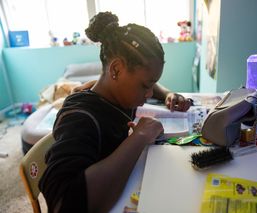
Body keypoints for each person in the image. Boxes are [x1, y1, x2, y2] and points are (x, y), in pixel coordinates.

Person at [39, 11, 192, 213]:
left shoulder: (116, 92)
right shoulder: (80, 118)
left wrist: (167, 94)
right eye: (145, 86)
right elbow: (63, 203)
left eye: (151, 85)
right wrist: (139, 136)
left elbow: (149, 84)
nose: (148, 94)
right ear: (116, 70)